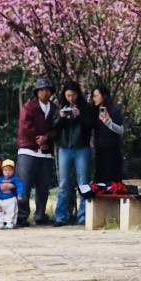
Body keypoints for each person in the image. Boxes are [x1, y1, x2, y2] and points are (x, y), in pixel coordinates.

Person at [15, 77, 57, 227]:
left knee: (43, 186)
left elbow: (56, 128)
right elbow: (25, 127)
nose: (45, 92)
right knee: (24, 185)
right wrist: (37, 139)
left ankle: (40, 215)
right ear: (37, 92)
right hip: (28, 150)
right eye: (42, 90)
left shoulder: (54, 108)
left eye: (48, 90)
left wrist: (46, 138)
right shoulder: (29, 107)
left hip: (45, 153)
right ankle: (21, 216)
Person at [52, 81, 95, 227]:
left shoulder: (86, 108)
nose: (71, 98)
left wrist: (80, 116)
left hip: (82, 148)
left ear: (78, 94)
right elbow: (55, 128)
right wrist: (62, 117)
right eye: (68, 95)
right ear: (64, 94)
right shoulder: (60, 108)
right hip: (64, 148)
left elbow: (90, 126)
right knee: (64, 183)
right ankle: (61, 216)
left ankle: (83, 216)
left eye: (74, 95)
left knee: (83, 183)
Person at [89, 85, 127, 187]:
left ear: (104, 96)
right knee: (100, 184)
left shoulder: (113, 110)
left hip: (113, 151)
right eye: (93, 96)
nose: (94, 98)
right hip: (99, 152)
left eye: (96, 96)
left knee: (113, 183)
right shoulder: (93, 111)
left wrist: (109, 123)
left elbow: (121, 130)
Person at [0, 159, 23, 228]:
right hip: (0, 198)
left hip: (10, 198)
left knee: (11, 211)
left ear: (13, 171)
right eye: (5, 170)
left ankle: (10, 223)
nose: (7, 172)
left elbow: (20, 186)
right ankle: (0, 223)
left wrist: (20, 194)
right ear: (2, 171)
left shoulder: (15, 179)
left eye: (10, 170)